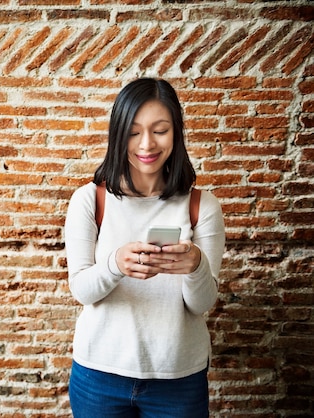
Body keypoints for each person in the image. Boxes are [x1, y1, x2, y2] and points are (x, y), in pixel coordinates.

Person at [64, 78, 225, 417]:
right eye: (134, 132)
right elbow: (81, 290)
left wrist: (195, 265)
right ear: (118, 134)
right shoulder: (89, 200)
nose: (147, 144)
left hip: (178, 379)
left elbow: (202, 304)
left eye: (160, 130)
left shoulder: (202, 206)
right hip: (98, 376)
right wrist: (114, 265)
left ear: (176, 133)